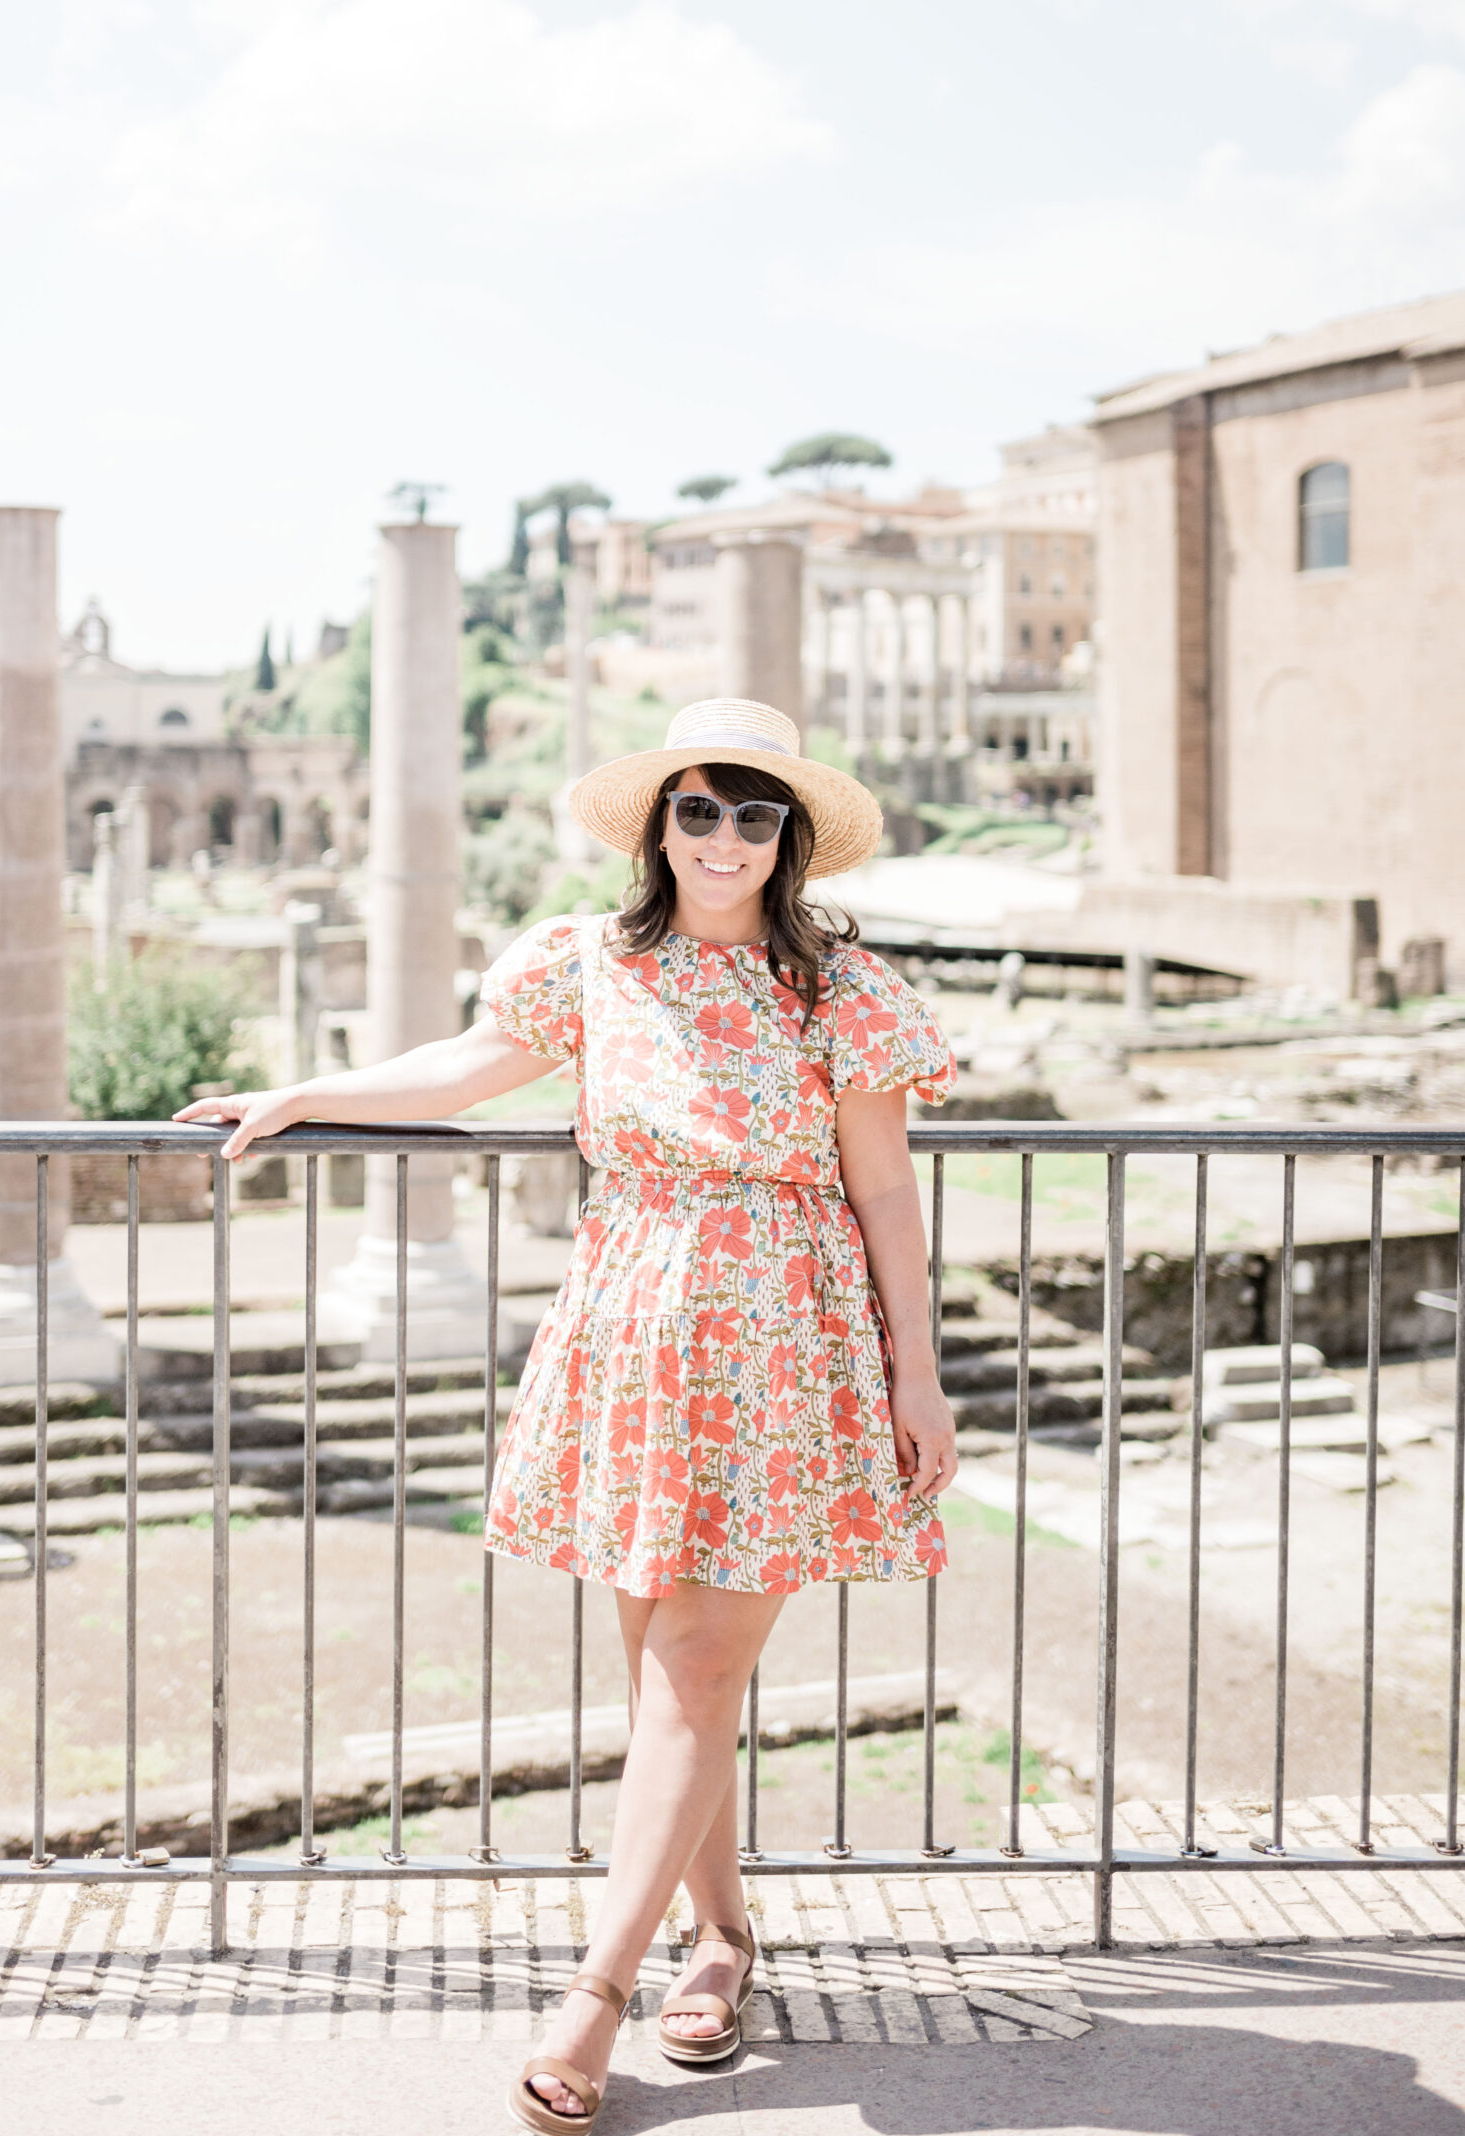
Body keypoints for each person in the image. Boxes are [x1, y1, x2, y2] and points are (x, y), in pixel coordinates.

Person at [175, 698, 960, 2129]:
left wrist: (917, 1369)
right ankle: (719, 1942)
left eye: (755, 814)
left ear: (789, 842)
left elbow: (888, 1188)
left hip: (788, 1337)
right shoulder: (591, 961)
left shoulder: (839, 988)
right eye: (701, 809)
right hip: (633, 1330)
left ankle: (594, 1998)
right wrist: (308, 1093)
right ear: (661, 826)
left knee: (699, 1667)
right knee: (670, 1665)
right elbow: (470, 1066)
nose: (725, 836)